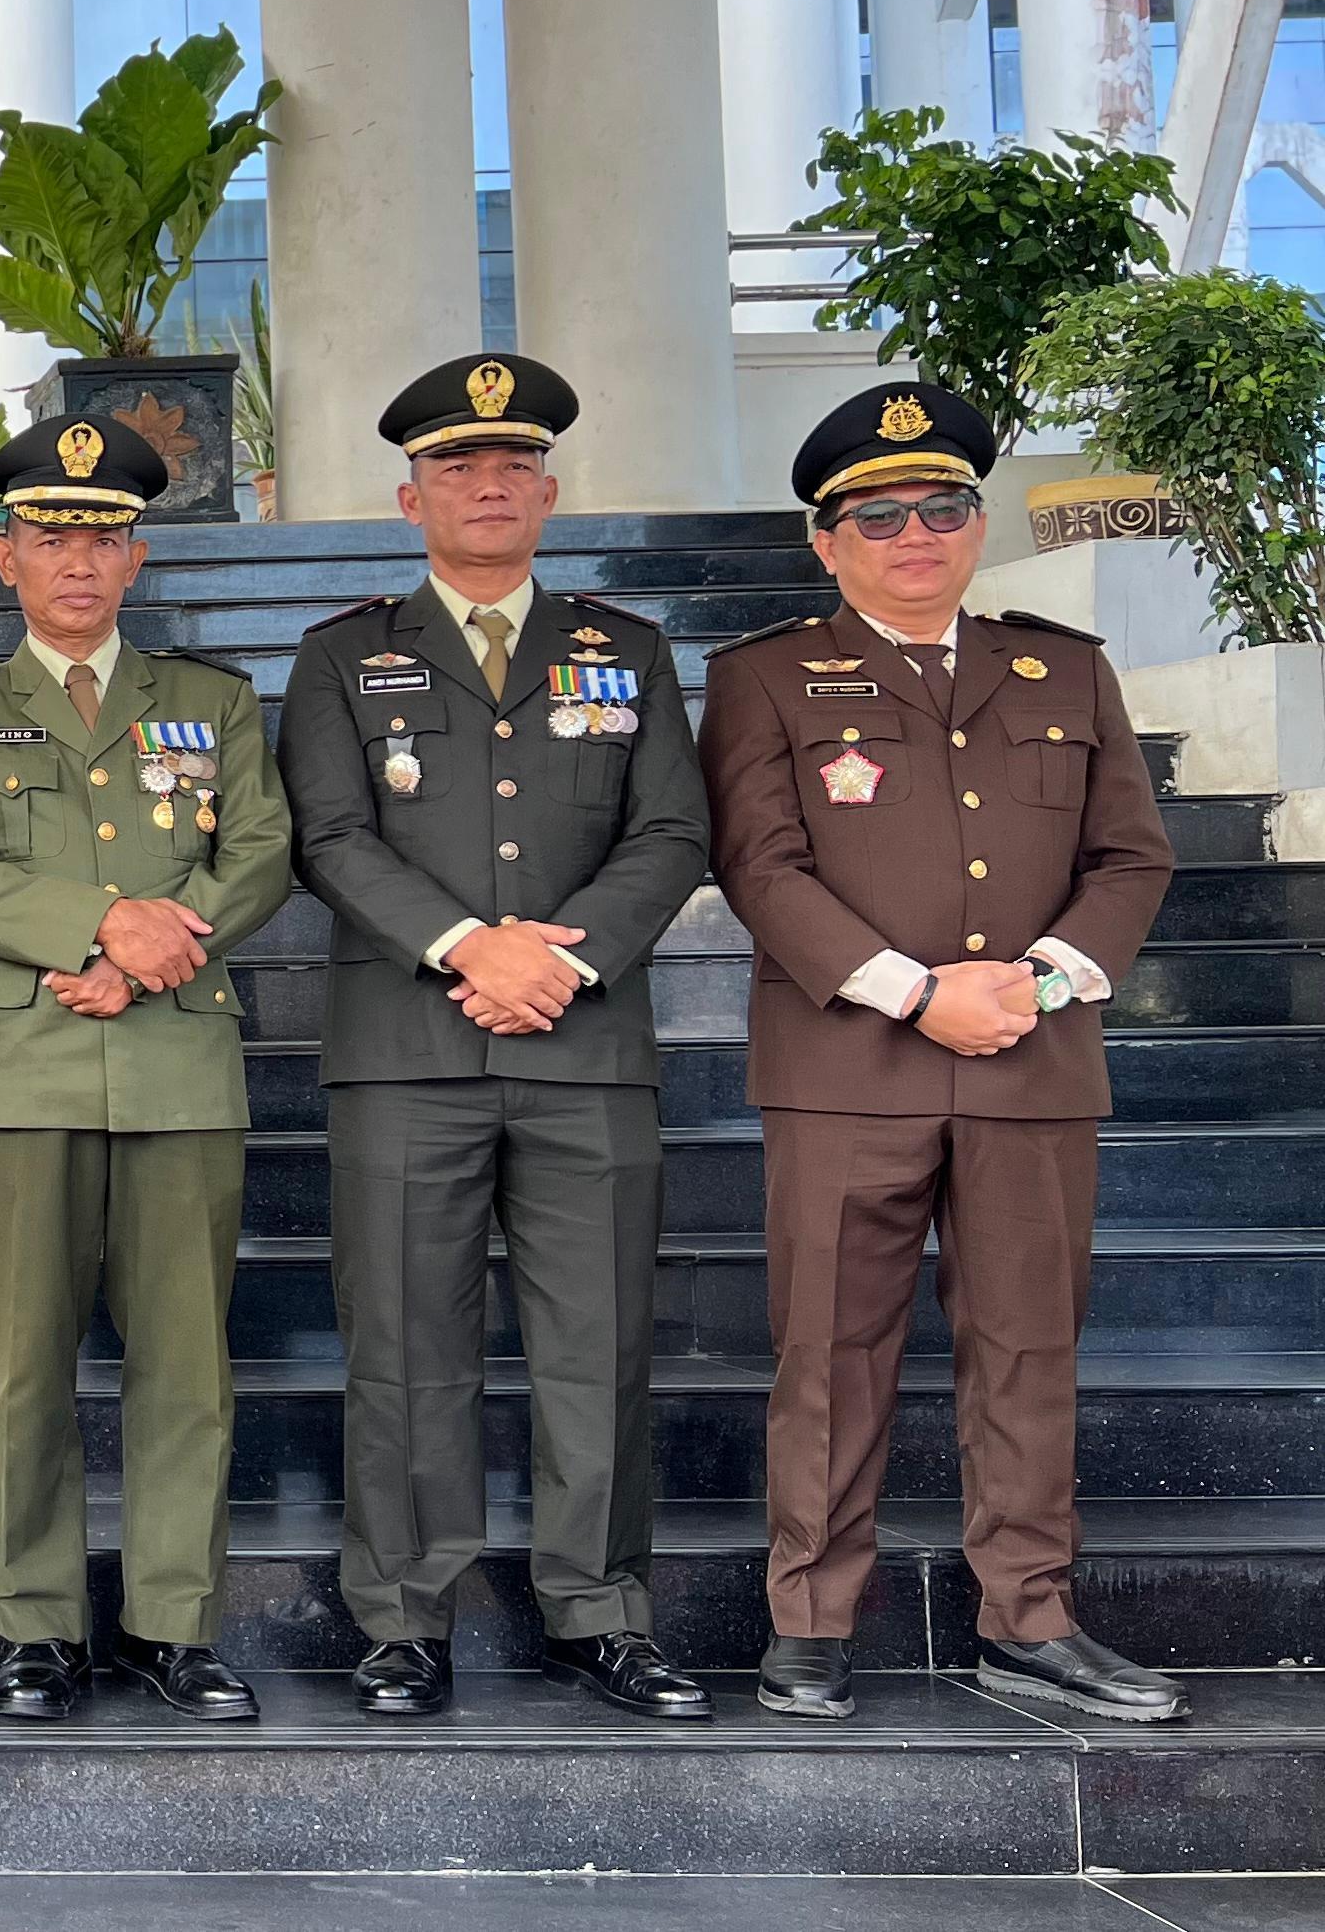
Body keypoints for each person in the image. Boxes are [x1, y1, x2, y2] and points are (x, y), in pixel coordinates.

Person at [700, 381, 1182, 1724]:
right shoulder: (762, 675)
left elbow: (1129, 855)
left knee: (1026, 1345)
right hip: (843, 1067)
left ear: (974, 524)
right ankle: (808, 1618)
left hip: (1029, 1057)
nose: (913, 532)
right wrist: (915, 993)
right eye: (877, 515)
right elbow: (758, 864)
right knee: (826, 1347)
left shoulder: (1063, 667)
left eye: (940, 506)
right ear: (825, 540)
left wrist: (1034, 981)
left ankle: (1027, 1618)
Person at [274, 354, 716, 1721]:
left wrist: (557, 958)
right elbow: (326, 835)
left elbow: (670, 830)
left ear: (548, 493)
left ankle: (600, 1608)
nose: (486, 484)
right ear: (407, 499)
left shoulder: (623, 647)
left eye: (511, 465)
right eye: (456, 467)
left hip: (583, 1044)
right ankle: (403, 1616)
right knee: (404, 1346)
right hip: (406, 1047)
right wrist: (472, 945)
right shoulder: (340, 655)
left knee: (600, 1341)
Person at [0, 412, 292, 1723]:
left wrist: (146, 953)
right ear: (3, 555)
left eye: (103, 537)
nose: (77, 560)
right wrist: (99, 925)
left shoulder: (211, 700)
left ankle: (174, 1622)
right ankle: (37, 1623)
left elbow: (257, 851)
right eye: (50, 536)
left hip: (177, 1059)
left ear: (135, 557)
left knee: (186, 1364)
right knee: (26, 1366)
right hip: (27, 1067)